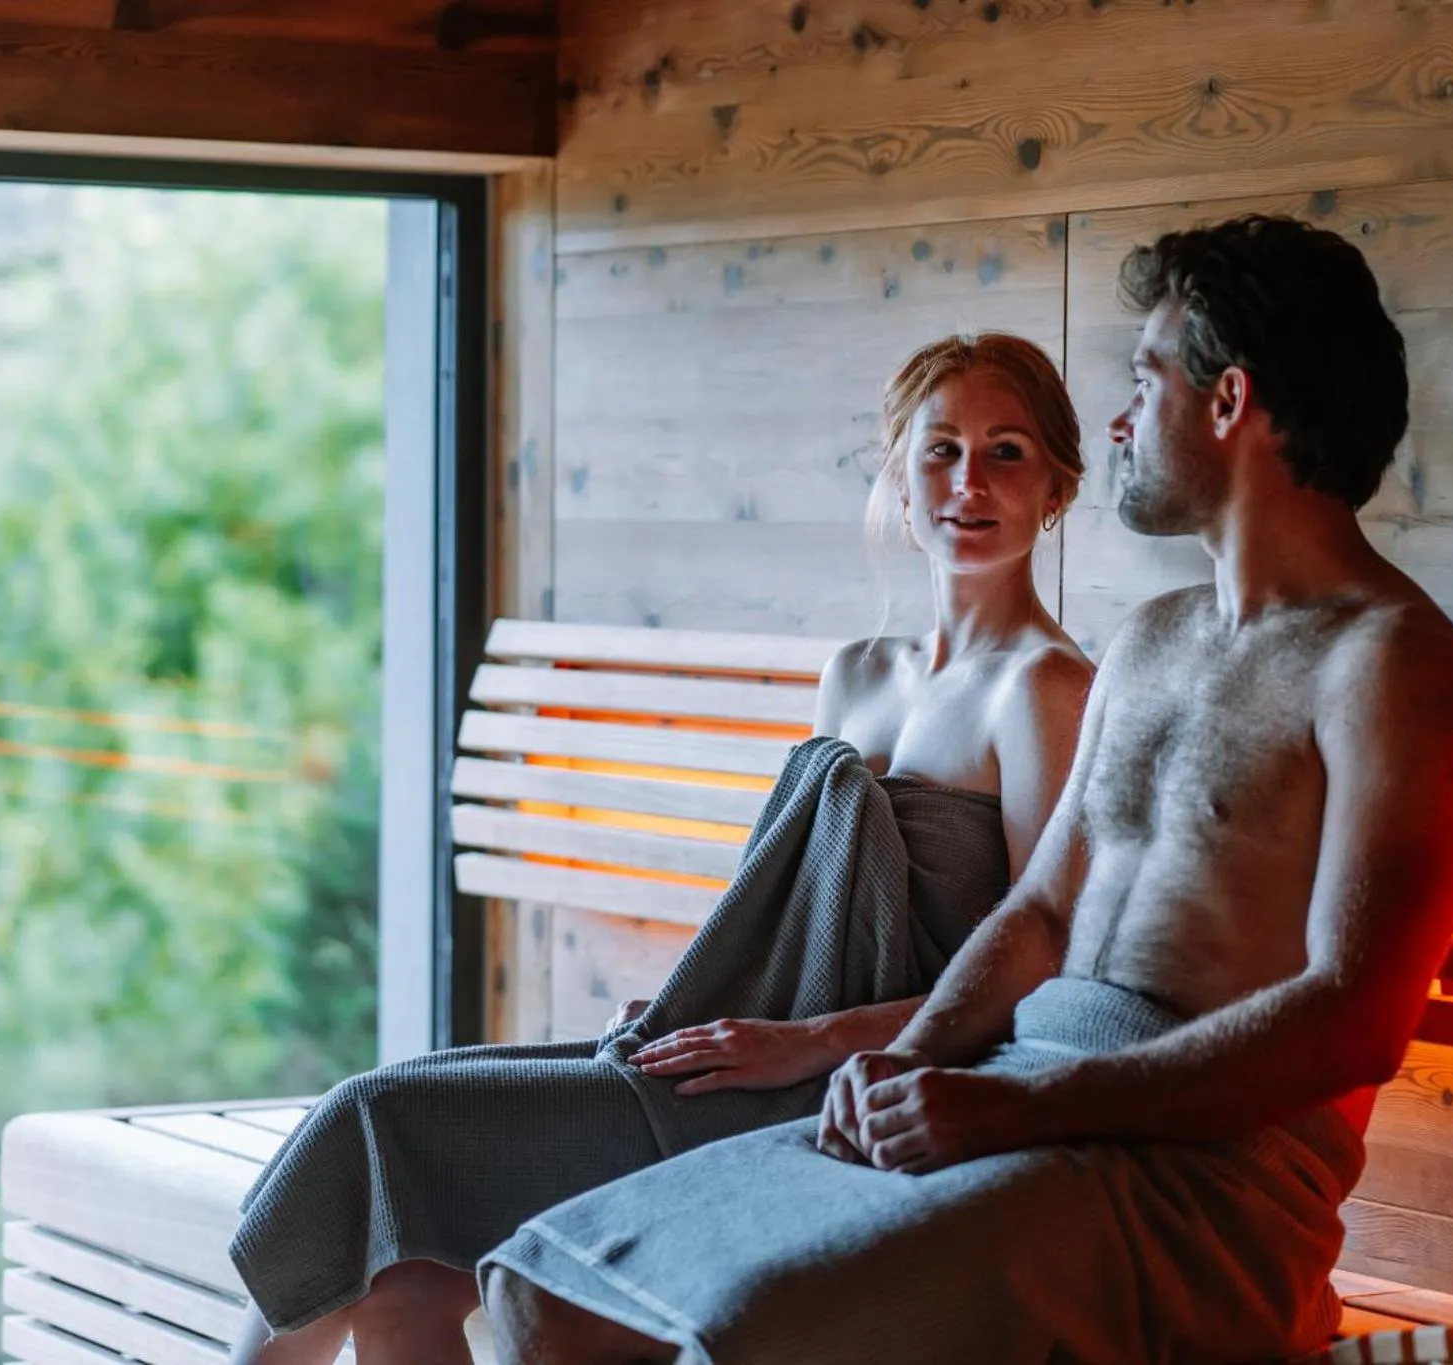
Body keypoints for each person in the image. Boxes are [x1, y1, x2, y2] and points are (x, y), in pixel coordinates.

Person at [480, 215, 1453, 1365]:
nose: (1117, 422)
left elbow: (1351, 1022)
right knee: (545, 1289)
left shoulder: (1387, 668)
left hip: (1194, 1184)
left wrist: (1025, 1107)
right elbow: (1040, 912)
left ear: (1226, 404)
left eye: (1141, 379)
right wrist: (907, 1060)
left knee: (743, 1330)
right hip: (1021, 1101)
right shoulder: (1154, 642)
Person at [227, 332, 1095, 1365]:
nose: (968, 482)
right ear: (898, 480)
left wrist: (808, 1044)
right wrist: (692, 996)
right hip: (744, 1044)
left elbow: (1045, 970)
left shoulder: (1045, 689)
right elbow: (782, 903)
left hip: (846, 1087)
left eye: (1005, 451)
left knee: (372, 1117)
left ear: (1056, 486)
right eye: (940, 449)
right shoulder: (857, 671)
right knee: (402, 1269)